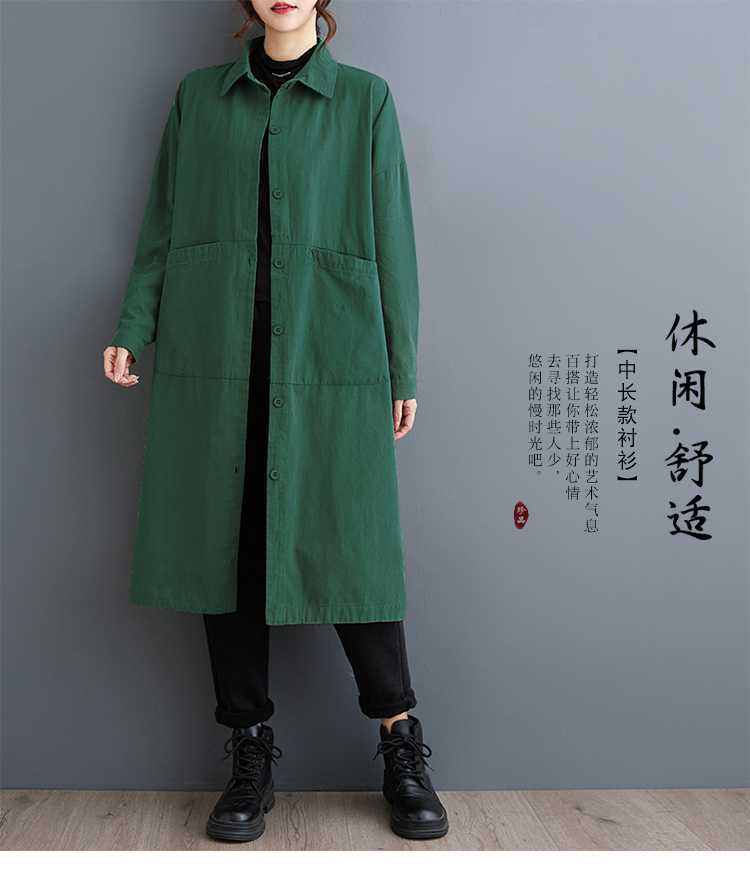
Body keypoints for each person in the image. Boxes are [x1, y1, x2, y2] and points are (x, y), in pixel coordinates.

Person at [103, 0, 447, 843]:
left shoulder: (364, 99)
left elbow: (393, 238)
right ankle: (249, 751)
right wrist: (134, 324)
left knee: (351, 543)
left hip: (329, 355)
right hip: (215, 354)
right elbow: (163, 225)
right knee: (228, 549)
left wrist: (402, 365)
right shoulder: (199, 97)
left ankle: (400, 743)